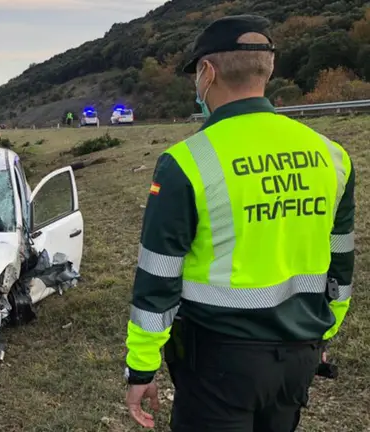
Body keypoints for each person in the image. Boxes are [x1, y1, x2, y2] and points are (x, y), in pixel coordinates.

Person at [123, 15, 355, 431]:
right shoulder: (331, 155)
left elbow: (157, 279)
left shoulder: (187, 162)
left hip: (218, 362)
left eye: (196, 74)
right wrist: (323, 332)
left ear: (207, 73)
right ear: (268, 69)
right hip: (300, 352)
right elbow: (341, 263)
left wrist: (141, 367)